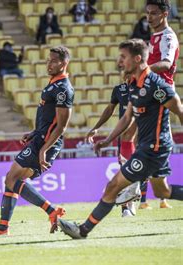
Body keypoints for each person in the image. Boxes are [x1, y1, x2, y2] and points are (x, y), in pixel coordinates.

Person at [58, 39, 183, 240]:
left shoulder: (158, 86)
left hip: (153, 149)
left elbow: (180, 111)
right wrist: (108, 140)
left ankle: (82, 230)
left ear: (137, 58)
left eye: (123, 57)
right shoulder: (133, 84)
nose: (119, 62)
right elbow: (127, 117)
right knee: (163, 190)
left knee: (113, 186)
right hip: (151, 147)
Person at [0, 46, 73, 236]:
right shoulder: (53, 84)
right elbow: (50, 120)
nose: (48, 64)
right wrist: (34, 132)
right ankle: (3, 227)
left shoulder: (63, 89)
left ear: (64, 63)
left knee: (11, 179)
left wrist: (43, 149)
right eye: (48, 60)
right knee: (13, 179)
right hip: (40, 139)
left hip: (45, 143)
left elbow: (61, 126)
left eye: (53, 61)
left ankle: (51, 211)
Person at [119, 0, 178, 209]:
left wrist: (140, 71)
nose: (149, 17)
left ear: (165, 13)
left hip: (160, 95)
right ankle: (136, 193)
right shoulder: (154, 36)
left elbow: (166, 64)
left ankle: (134, 191)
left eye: (153, 13)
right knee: (130, 135)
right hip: (148, 91)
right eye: (147, 13)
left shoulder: (168, 37)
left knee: (147, 141)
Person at [85, 71, 140, 217]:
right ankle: (126, 207)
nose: (127, 75)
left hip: (142, 134)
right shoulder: (119, 90)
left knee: (141, 170)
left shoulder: (144, 88)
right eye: (125, 73)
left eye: (130, 73)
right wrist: (96, 127)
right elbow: (110, 109)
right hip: (124, 136)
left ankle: (133, 201)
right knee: (125, 170)